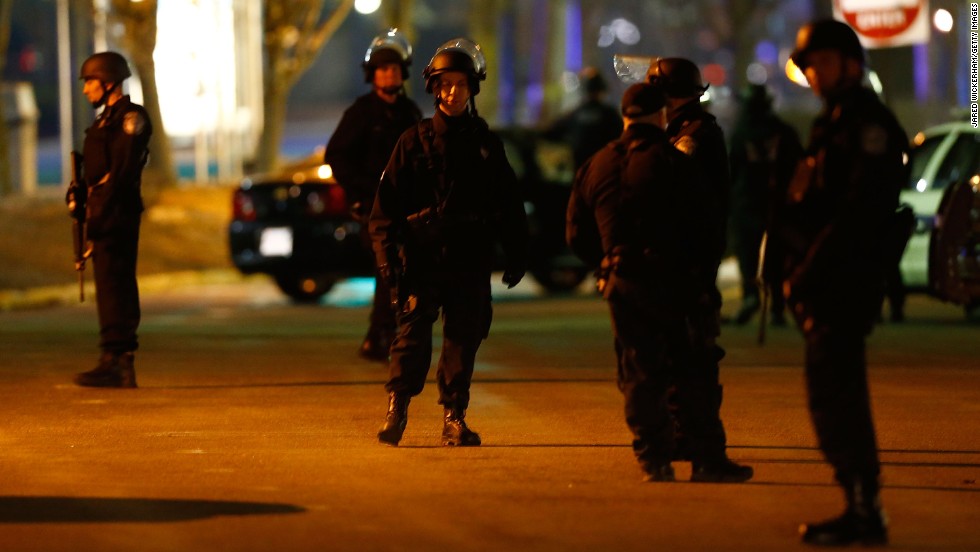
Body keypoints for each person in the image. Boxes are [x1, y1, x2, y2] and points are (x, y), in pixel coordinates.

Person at [567, 82, 751, 482]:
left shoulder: (596, 165)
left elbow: (575, 233)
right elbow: (706, 226)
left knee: (639, 370)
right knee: (693, 369)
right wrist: (701, 279)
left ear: (624, 115)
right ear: (660, 115)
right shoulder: (674, 162)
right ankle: (706, 459)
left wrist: (605, 264)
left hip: (623, 283)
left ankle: (654, 457)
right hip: (674, 282)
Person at [783, 19, 909, 546]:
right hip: (827, 277)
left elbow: (859, 212)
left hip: (846, 278)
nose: (814, 73)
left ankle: (864, 506)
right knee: (831, 393)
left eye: (823, 63)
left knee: (838, 395)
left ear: (851, 64)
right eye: (810, 65)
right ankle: (858, 501)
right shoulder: (832, 122)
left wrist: (810, 270)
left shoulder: (866, 123)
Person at [369, 38, 529, 447]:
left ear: (472, 88)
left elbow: (508, 203)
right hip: (421, 258)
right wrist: (387, 258)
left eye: (461, 84)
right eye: (446, 84)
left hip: (469, 257)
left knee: (463, 338)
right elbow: (384, 211)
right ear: (434, 88)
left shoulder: (485, 145)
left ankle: (454, 417)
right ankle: (396, 410)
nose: (453, 91)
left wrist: (517, 251)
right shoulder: (412, 142)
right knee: (411, 337)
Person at [645, 58, 753, 481]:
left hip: (690, 267)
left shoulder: (695, 136)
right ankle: (683, 435)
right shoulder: (679, 132)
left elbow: (684, 201)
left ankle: (705, 447)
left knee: (696, 359)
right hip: (679, 265)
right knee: (678, 356)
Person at [324, 29, 422, 361]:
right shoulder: (361, 113)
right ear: (372, 75)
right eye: (383, 69)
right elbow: (336, 155)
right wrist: (360, 192)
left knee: (405, 271)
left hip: (406, 207)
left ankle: (386, 334)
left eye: (394, 68)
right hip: (373, 207)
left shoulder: (409, 112)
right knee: (389, 268)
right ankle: (382, 335)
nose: (389, 74)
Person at [70, 51, 152, 388]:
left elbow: (119, 173)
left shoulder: (131, 119)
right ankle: (111, 357)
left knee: (116, 283)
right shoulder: (104, 122)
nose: (86, 90)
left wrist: (101, 208)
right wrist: (79, 197)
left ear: (109, 82)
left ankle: (120, 360)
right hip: (102, 211)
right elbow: (95, 174)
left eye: (90, 82)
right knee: (107, 286)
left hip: (117, 213)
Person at [728, 84, 804, 326]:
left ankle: (751, 297)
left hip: (748, 202)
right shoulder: (783, 131)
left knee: (748, 254)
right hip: (778, 203)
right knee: (778, 256)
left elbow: (732, 169)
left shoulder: (741, 132)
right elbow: (799, 164)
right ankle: (778, 306)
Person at [543, 67, 624, 169]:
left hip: (579, 170)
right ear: (602, 90)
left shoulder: (575, 114)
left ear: (584, 91)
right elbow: (621, 137)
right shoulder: (609, 114)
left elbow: (552, 132)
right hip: (602, 169)